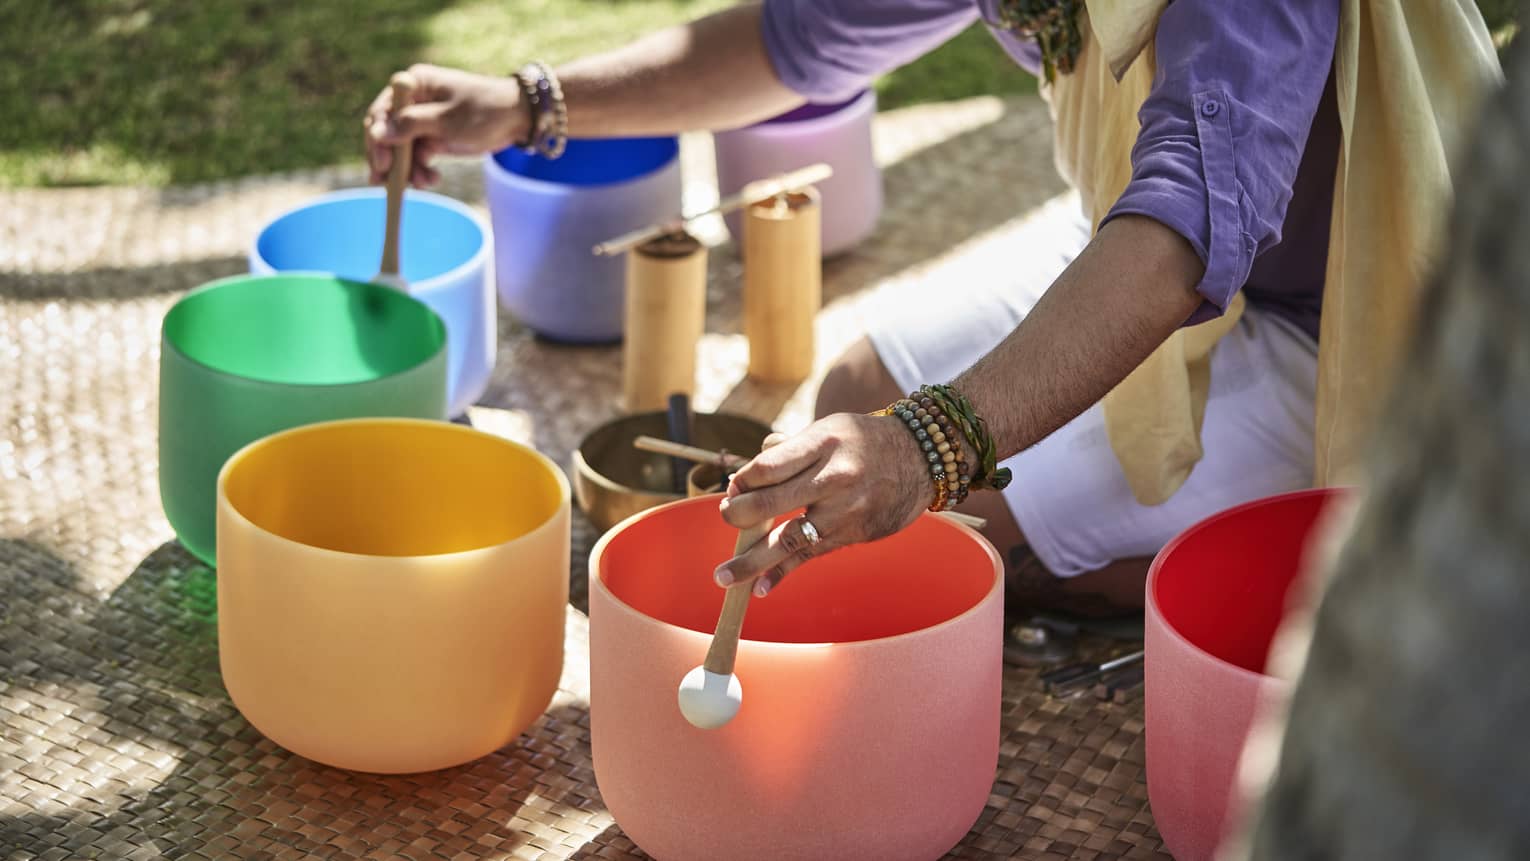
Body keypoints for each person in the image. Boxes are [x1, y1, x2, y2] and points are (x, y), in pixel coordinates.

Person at [365, 1, 1498, 618]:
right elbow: (796, 42)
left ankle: (1362, 546)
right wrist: (526, 105)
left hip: (1377, 314)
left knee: (949, 544)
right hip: (1179, 255)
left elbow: (1181, 237)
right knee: (853, 398)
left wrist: (932, 450)